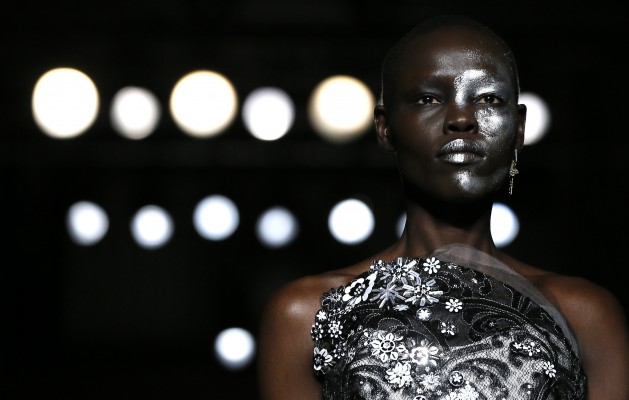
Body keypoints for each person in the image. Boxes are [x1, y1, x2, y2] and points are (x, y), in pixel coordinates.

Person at [257, 14, 629, 400]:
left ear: (518, 128)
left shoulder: (586, 315)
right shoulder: (304, 315)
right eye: (429, 99)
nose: (462, 119)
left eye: (488, 99)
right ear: (385, 128)